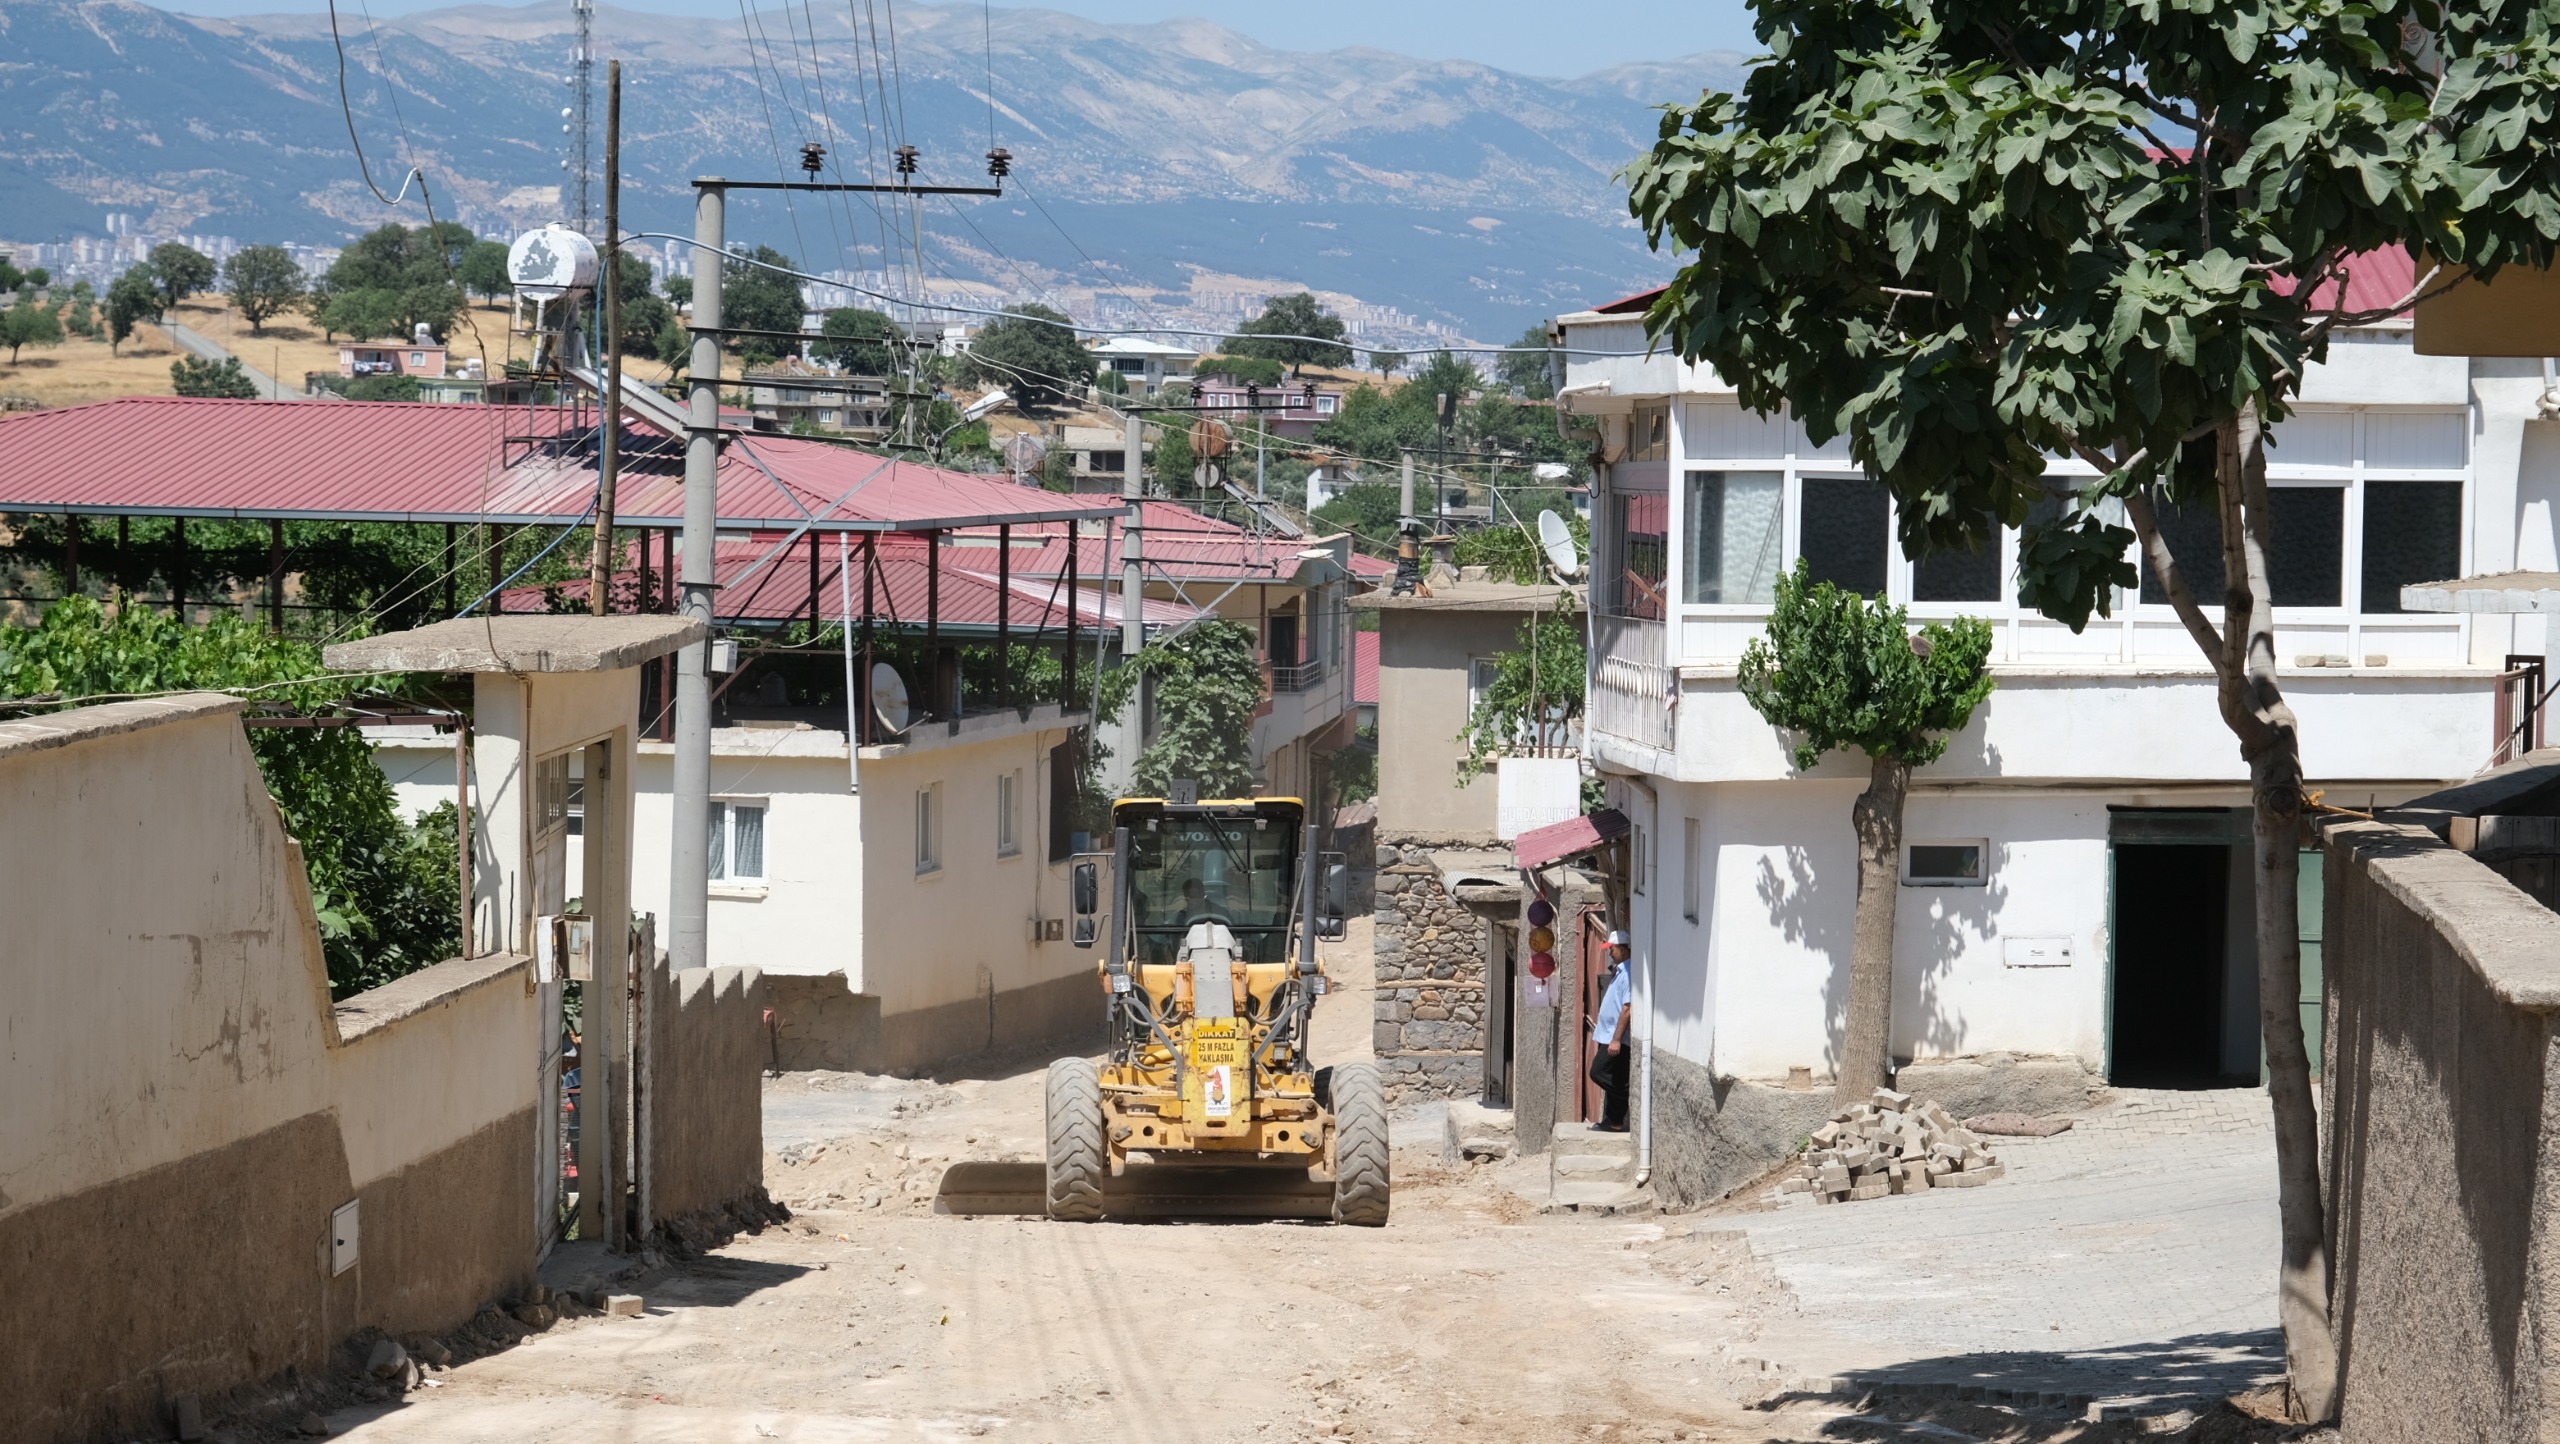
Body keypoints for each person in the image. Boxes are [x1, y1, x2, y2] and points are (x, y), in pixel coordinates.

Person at [1590, 930, 1635, 1132]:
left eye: (1613, 949)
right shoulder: (1620, 971)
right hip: (1607, 1033)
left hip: (1615, 1037)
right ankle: (1613, 1121)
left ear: (1624, 950)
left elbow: (1628, 1008)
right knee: (1613, 1076)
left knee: (1598, 1073)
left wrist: (1616, 1039)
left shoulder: (1630, 973)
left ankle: (1628, 1092)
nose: (1610, 953)